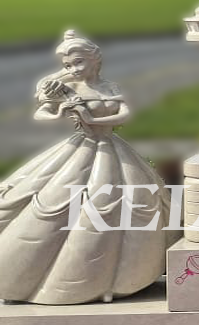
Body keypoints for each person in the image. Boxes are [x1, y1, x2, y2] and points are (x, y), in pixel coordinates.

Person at [0, 30, 177, 304]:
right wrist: (63, 111)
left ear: (95, 61)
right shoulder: (67, 87)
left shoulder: (109, 87)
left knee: (129, 202)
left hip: (110, 147)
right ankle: (35, 279)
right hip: (80, 148)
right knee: (55, 201)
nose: (72, 69)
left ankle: (116, 279)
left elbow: (125, 114)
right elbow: (42, 112)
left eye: (78, 63)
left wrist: (90, 116)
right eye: (68, 65)